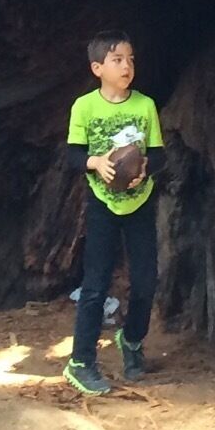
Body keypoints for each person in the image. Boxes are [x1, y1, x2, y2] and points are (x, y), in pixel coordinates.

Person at [62, 32, 163, 395]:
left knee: (146, 280)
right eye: (118, 59)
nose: (127, 66)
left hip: (140, 201)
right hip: (102, 203)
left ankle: (132, 340)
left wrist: (143, 172)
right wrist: (96, 163)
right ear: (97, 68)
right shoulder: (84, 107)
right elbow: (73, 154)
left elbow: (159, 156)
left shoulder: (145, 106)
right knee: (96, 284)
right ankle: (81, 362)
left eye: (131, 59)